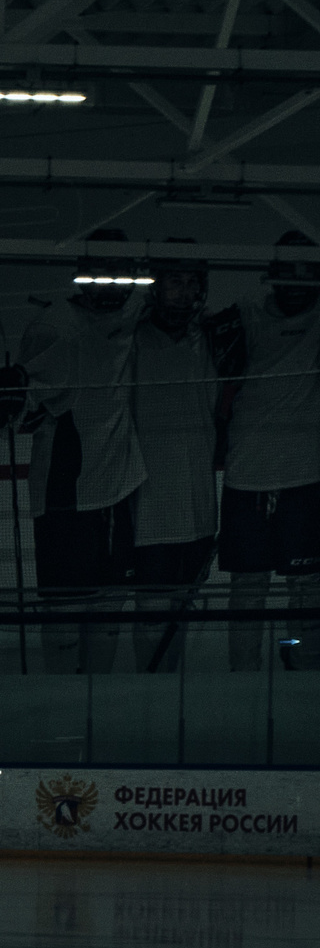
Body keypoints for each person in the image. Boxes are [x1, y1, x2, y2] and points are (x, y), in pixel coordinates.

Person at [0, 231, 147, 674]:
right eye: (103, 273)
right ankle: (61, 706)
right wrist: (11, 402)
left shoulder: (134, 315)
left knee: (110, 609)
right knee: (63, 612)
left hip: (119, 489)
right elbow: (19, 413)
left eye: (121, 274)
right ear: (84, 276)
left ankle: (101, 707)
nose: (112, 284)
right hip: (65, 492)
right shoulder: (54, 326)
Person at [206, 232, 320, 671]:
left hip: (305, 479)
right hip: (245, 479)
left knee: (306, 586)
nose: (295, 287)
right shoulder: (242, 318)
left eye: (306, 277)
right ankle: (244, 674)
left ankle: (300, 663)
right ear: (272, 279)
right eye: (287, 277)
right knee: (248, 587)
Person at [126, 245, 219, 672]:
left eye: (191, 284)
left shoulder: (211, 342)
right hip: (151, 508)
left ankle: (168, 691)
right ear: (156, 287)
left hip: (199, 507)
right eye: (175, 282)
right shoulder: (135, 341)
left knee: (184, 607)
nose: (184, 293)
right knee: (151, 609)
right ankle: (147, 694)